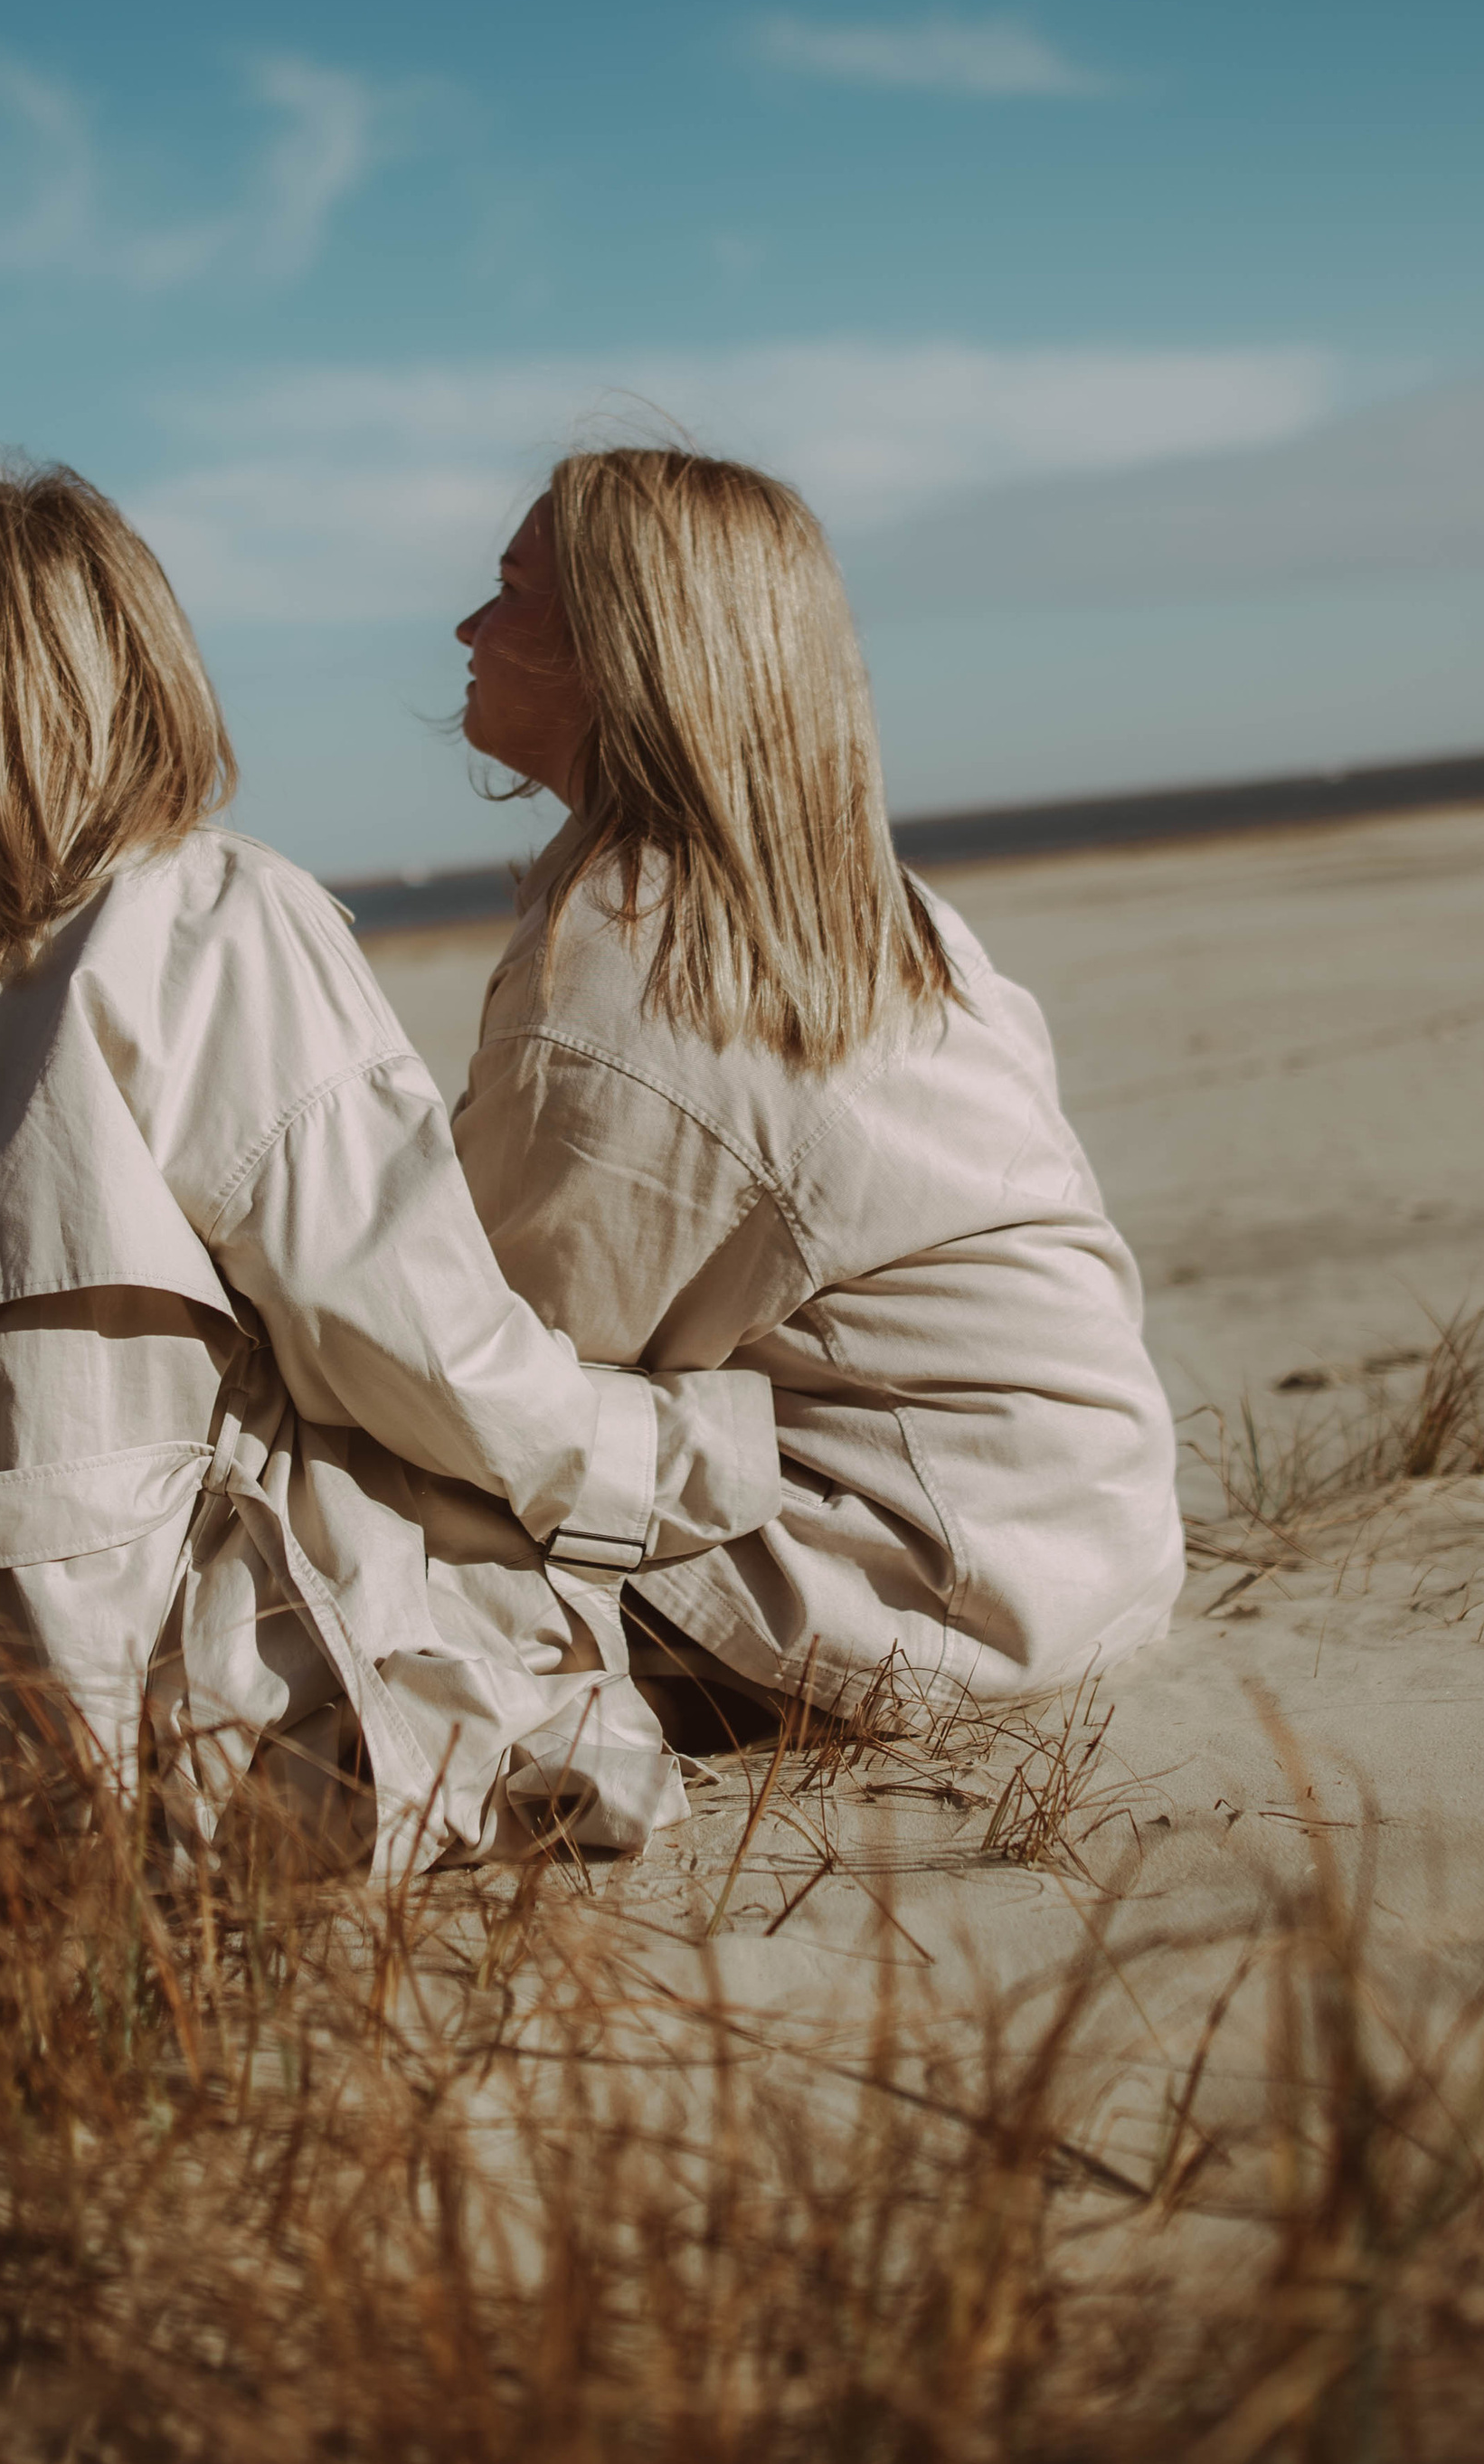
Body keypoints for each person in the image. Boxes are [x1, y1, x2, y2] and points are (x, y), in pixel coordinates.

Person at [0, 464, 780, 1934]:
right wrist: (672, 1450)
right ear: (135, 657)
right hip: (100, 1705)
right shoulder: (209, 912)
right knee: (451, 1503)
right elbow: (412, 1346)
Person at [449, 443, 1184, 1723]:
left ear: (613, 651)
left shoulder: (631, 975)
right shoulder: (872, 915)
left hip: (917, 1589)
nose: (468, 623)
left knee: (355, 1523)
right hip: (1087, 1545)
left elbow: (491, 1365)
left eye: (511, 589)